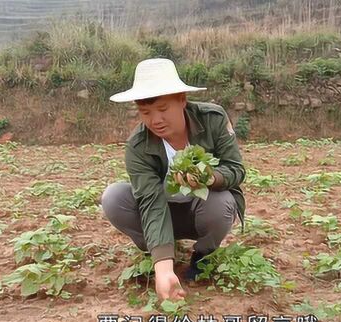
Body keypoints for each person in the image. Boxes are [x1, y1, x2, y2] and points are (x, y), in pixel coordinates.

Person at [101, 58, 246, 301]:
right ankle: (158, 250)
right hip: (162, 213)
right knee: (114, 198)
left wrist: (211, 178)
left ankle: (202, 256)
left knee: (222, 202)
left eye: (163, 109)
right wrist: (164, 270)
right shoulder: (138, 146)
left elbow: (236, 169)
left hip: (201, 210)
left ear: (182, 99)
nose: (155, 120)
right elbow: (150, 201)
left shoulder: (213, 119)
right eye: (145, 112)